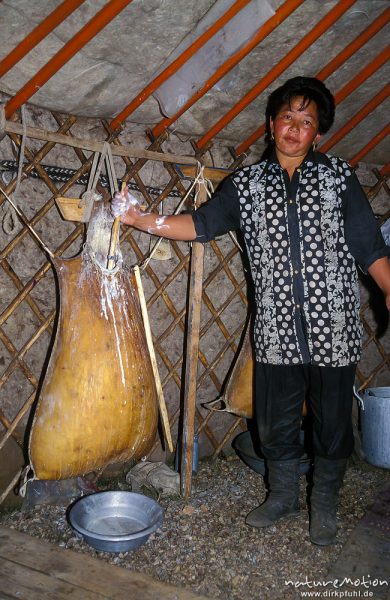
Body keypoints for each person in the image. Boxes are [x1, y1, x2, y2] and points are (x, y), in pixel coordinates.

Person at [111, 76, 390, 546]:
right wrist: (141, 219)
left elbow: (368, 243)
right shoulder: (246, 185)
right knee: (275, 418)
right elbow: (201, 225)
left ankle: (323, 504)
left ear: (318, 133)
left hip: (333, 326)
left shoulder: (339, 178)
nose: (295, 129)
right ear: (271, 124)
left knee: (333, 418)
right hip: (278, 329)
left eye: (307, 122)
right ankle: (281, 496)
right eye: (288, 118)